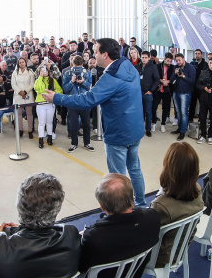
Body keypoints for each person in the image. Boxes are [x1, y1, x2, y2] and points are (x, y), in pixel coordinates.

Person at [43, 38, 148, 207]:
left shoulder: (111, 77)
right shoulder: (128, 66)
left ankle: (122, 213)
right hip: (134, 130)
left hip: (118, 133)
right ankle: (141, 205)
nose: (94, 54)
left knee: (117, 178)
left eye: (97, 52)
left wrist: (57, 97)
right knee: (135, 170)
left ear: (105, 55)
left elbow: (87, 100)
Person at [75, 174, 160, 278]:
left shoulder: (95, 237)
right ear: (131, 197)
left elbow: (81, 267)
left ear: (102, 206)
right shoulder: (153, 217)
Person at [150, 143, 204, 268]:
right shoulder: (197, 190)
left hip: (160, 257)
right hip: (181, 249)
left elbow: (148, 235)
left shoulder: (160, 205)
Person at [62, 55, 94, 152]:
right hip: (73, 101)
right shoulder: (67, 74)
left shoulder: (87, 73)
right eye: (76, 67)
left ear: (83, 64)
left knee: (86, 124)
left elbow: (90, 87)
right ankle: (73, 143)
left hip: (84, 101)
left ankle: (87, 143)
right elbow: (65, 89)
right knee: (74, 124)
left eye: (79, 68)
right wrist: (72, 81)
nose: (78, 70)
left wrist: (83, 82)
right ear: (72, 64)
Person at [169, 53, 197, 140]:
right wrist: (175, 73)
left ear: (183, 59)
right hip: (176, 92)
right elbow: (171, 79)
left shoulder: (190, 67)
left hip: (185, 93)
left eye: (179, 60)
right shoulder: (175, 67)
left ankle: (183, 131)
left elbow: (193, 81)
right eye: (176, 61)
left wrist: (183, 76)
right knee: (178, 112)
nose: (178, 62)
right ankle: (180, 127)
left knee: (184, 112)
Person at [33, 64, 61, 148]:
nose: (45, 71)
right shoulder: (38, 80)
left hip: (50, 104)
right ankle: (40, 140)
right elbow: (37, 88)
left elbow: (59, 90)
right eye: (42, 70)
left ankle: (50, 138)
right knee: (41, 123)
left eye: (46, 70)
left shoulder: (53, 80)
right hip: (41, 104)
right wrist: (40, 77)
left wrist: (53, 94)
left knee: (49, 122)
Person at [11, 57, 36, 139]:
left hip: (28, 94)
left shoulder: (30, 72)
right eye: (20, 62)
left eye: (23, 62)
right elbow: (13, 84)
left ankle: (30, 131)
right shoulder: (15, 72)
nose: (21, 63)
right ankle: (20, 130)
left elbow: (32, 84)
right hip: (18, 95)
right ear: (18, 63)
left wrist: (25, 92)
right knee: (19, 114)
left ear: (25, 63)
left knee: (29, 114)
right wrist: (20, 92)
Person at [138, 51, 161, 138]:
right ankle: (140, 129)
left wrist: (151, 90)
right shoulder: (137, 66)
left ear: (149, 58)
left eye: (145, 57)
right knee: (140, 112)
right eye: (142, 57)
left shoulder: (153, 67)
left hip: (148, 94)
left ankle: (148, 129)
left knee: (148, 112)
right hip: (139, 94)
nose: (144, 59)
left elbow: (157, 79)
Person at [152, 53, 175, 133]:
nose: (169, 63)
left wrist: (168, 81)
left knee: (165, 108)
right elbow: (155, 76)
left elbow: (173, 77)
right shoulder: (158, 66)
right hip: (158, 90)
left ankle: (163, 124)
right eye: (168, 61)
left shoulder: (172, 67)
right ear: (164, 59)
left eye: (170, 61)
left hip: (167, 90)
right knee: (154, 107)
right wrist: (161, 81)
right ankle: (154, 123)